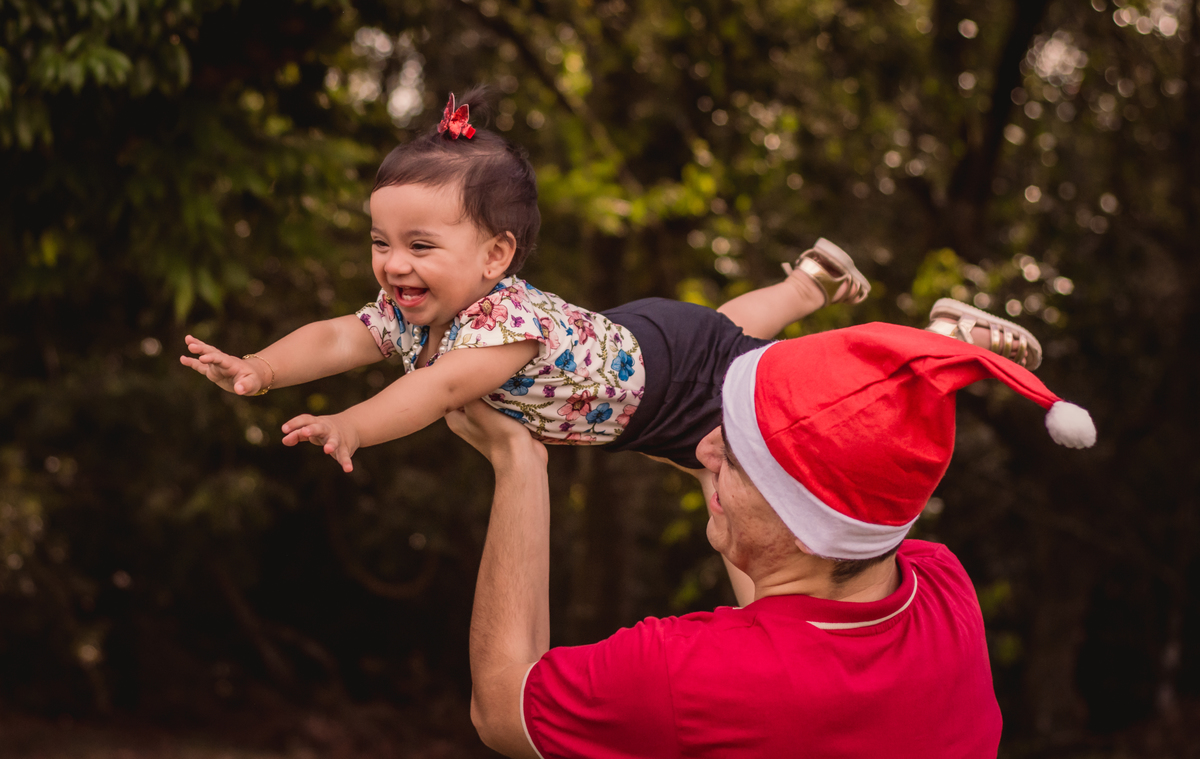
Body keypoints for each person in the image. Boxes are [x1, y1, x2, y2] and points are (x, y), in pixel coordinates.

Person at [179, 87, 1042, 474]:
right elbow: (337, 335)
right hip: (642, 365)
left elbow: (438, 389)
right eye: (380, 241)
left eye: (419, 245)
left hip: (662, 385)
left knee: (788, 401)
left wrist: (352, 425)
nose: (394, 264)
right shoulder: (412, 309)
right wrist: (260, 366)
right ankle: (813, 278)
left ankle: (941, 341)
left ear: (497, 256)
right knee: (725, 331)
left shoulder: (497, 327)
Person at [452, 322, 1095, 758]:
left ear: (797, 524)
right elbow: (806, 557)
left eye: (729, 457)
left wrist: (518, 465)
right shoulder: (941, 586)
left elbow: (501, 704)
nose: (704, 450)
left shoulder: (683, 676)